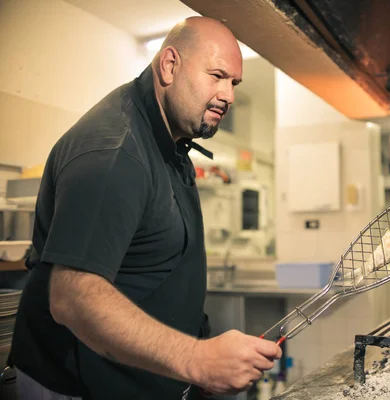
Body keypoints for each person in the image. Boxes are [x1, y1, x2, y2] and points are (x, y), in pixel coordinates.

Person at [8, 16, 282, 400]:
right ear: (170, 65)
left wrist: (199, 357)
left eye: (234, 83)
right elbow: (73, 297)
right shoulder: (115, 152)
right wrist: (197, 358)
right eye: (217, 75)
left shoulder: (170, 135)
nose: (228, 95)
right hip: (77, 385)